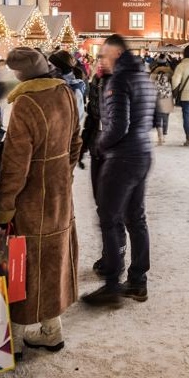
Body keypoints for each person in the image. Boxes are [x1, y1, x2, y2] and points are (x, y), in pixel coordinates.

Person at [0, 47, 82, 355]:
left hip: (31, 199)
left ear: (19, 75)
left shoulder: (25, 104)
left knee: (21, 264)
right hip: (59, 193)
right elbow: (76, 141)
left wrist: (4, 206)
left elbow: (16, 165)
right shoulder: (65, 94)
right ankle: (52, 329)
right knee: (53, 259)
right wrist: (65, 173)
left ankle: (15, 339)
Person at [81, 34, 156, 307]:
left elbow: (117, 126)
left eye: (103, 55)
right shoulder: (143, 77)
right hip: (142, 153)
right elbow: (154, 116)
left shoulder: (119, 81)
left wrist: (99, 145)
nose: (100, 60)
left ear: (114, 54)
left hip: (122, 157)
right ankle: (138, 281)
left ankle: (112, 283)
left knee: (109, 218)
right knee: (136, 218)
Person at [81, 57, 124, 269]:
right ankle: (110, 254)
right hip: (98, 148)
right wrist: (84, 145)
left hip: (116, 152)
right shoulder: (96, 82)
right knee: (103, 206)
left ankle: (115, 257)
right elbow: (91, 115)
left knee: (113, 208)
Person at [49, 50, 86, 126]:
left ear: (59, 69)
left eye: (50, 66)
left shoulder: (74, 88)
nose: (48, 69)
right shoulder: (56, 83)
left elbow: (77, 120)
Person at [149, 54, 174, 144]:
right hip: (167, 95)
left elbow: (150, 83)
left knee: (158, 117)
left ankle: (160, 137)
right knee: (166, 117)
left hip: (156, 96)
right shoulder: (170, 71)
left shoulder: (153, 71)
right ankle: (165, 135)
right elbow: (174, 83)